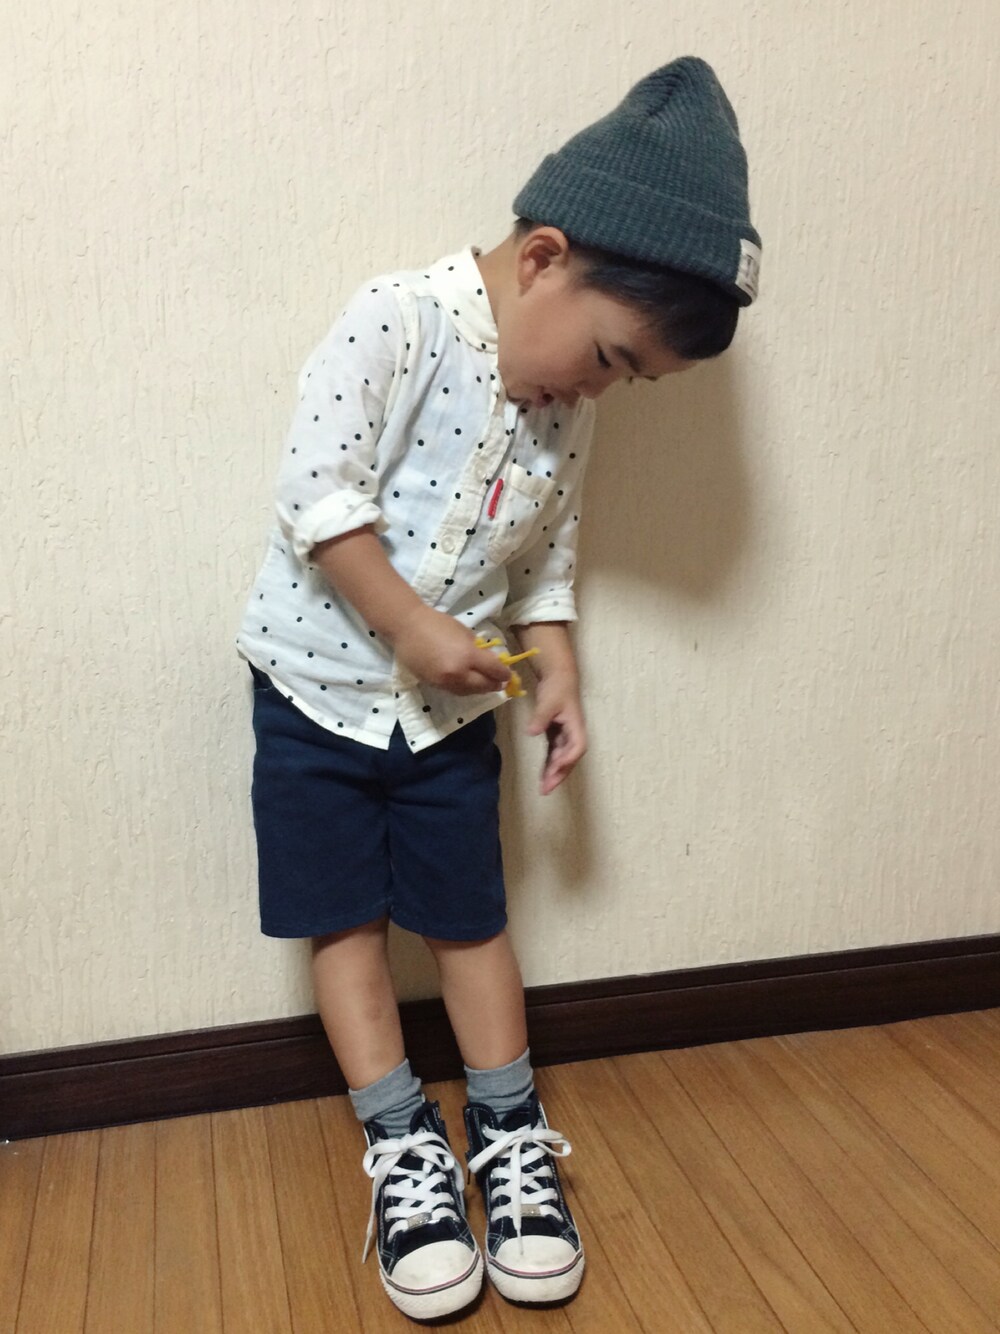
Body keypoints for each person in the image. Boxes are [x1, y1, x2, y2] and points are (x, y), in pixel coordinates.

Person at [238, 55, 760, 1321]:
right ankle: (400, 1139)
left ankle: (509, 1129)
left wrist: (558, 664)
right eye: (607, 356)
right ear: (542, 258)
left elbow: (548, 543)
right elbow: (317, 493)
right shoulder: (397, 320)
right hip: (312, 692)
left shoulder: (564, 403)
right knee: (343, 921)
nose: (598, 388)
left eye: (628, 381)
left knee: (468, 917)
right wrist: (412, 625)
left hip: (451, 715)